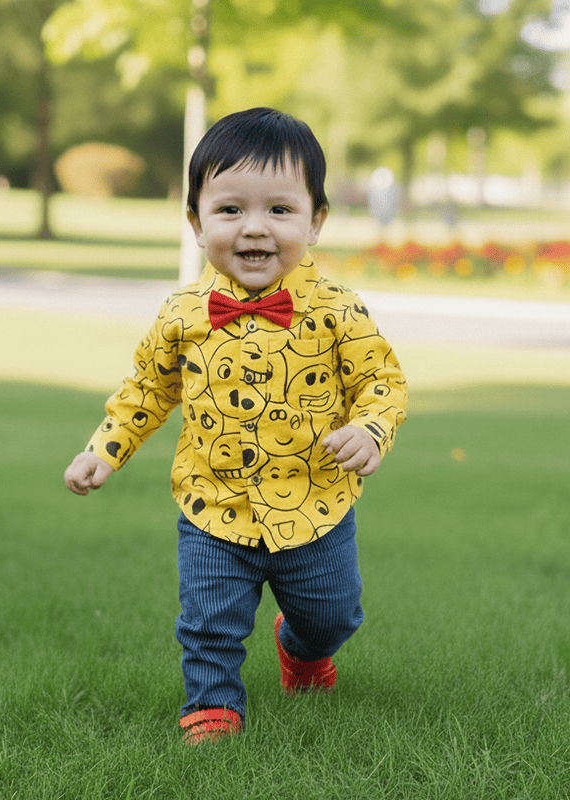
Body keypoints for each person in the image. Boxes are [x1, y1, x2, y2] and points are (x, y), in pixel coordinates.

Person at [64, 107, 407, 745]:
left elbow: (382, 383)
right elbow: (147, 390)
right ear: (196, 222)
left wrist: (371, 428)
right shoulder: (183, 312)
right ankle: (214, 705)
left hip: (316, 503)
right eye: (229, 211)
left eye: (280, 210)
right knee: (209, 619)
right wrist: (103, 452)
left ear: (316, 220)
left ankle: (302, 649)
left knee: (334, 614)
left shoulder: (337, 309)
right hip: (212, 504)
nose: (255, 229)